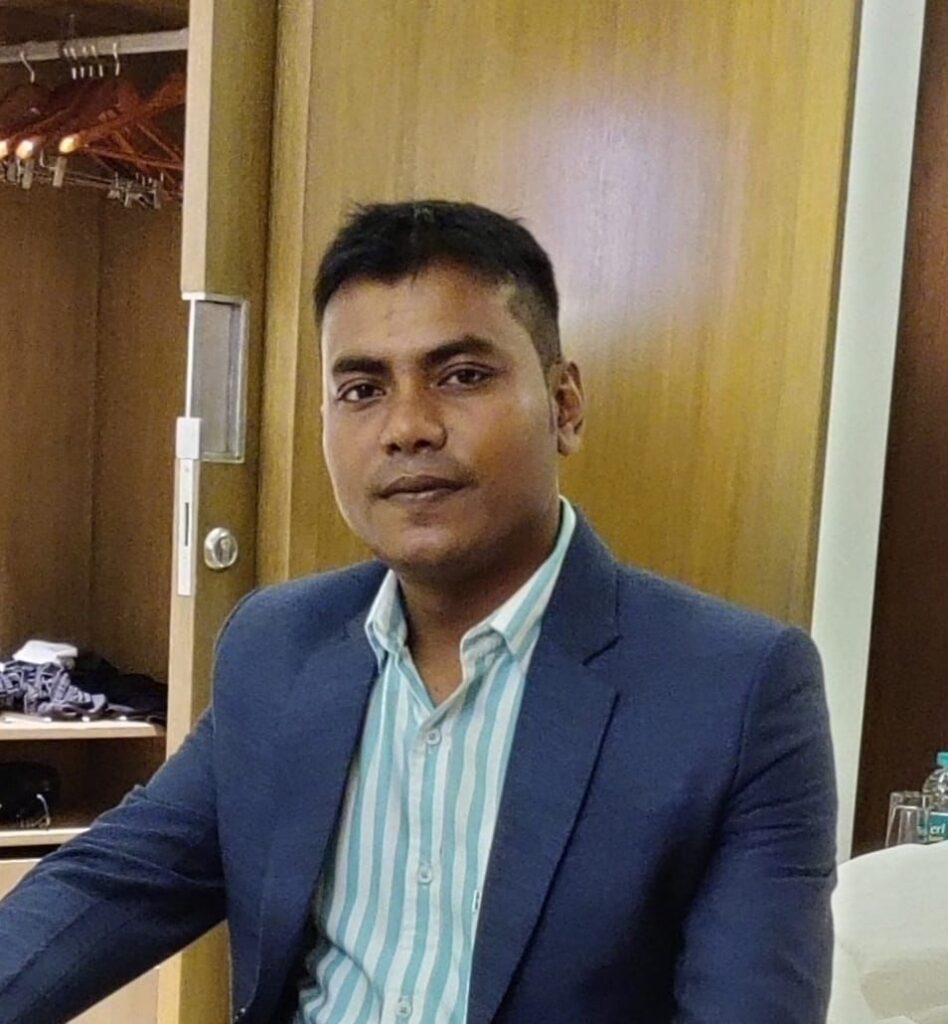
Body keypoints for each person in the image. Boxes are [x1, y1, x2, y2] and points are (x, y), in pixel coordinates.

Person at [0, 200, 837, 1024]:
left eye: (462, 376)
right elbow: (114, 883)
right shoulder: (278, 645)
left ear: (565, 405)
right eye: (362, 389)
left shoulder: (736, 692)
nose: (407, 427)